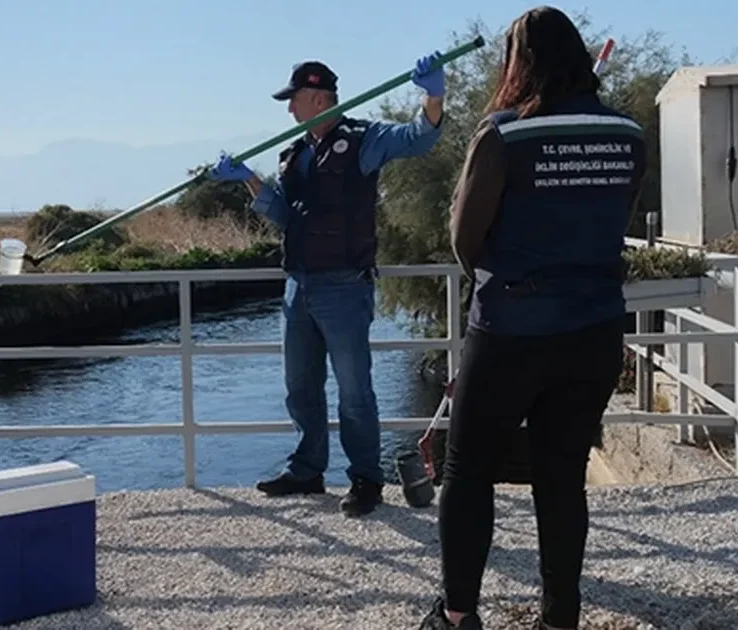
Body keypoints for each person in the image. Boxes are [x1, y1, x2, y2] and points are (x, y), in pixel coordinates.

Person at [418, 6, 647, 630]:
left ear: (521, 62)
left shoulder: (502, 134)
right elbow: (618, 217)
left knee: (468, 471)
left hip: (512, 329)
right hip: (595, 326)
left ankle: (459, 614)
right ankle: (559, 617)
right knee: (562, 475)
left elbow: (466, 236)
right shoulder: (627, 134)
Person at [208, 52, 446, 517]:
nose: (289, 110)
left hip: (344, 287)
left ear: (318, 98)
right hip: (298, 286)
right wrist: (249, 180)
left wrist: (433, 95)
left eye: (293, 100)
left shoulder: (363, 140)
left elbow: (418, 137)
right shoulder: (293, 153)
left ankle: (365, 478)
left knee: (355, 391)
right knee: (300, 386)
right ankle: (307, 468)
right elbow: (283, 215)